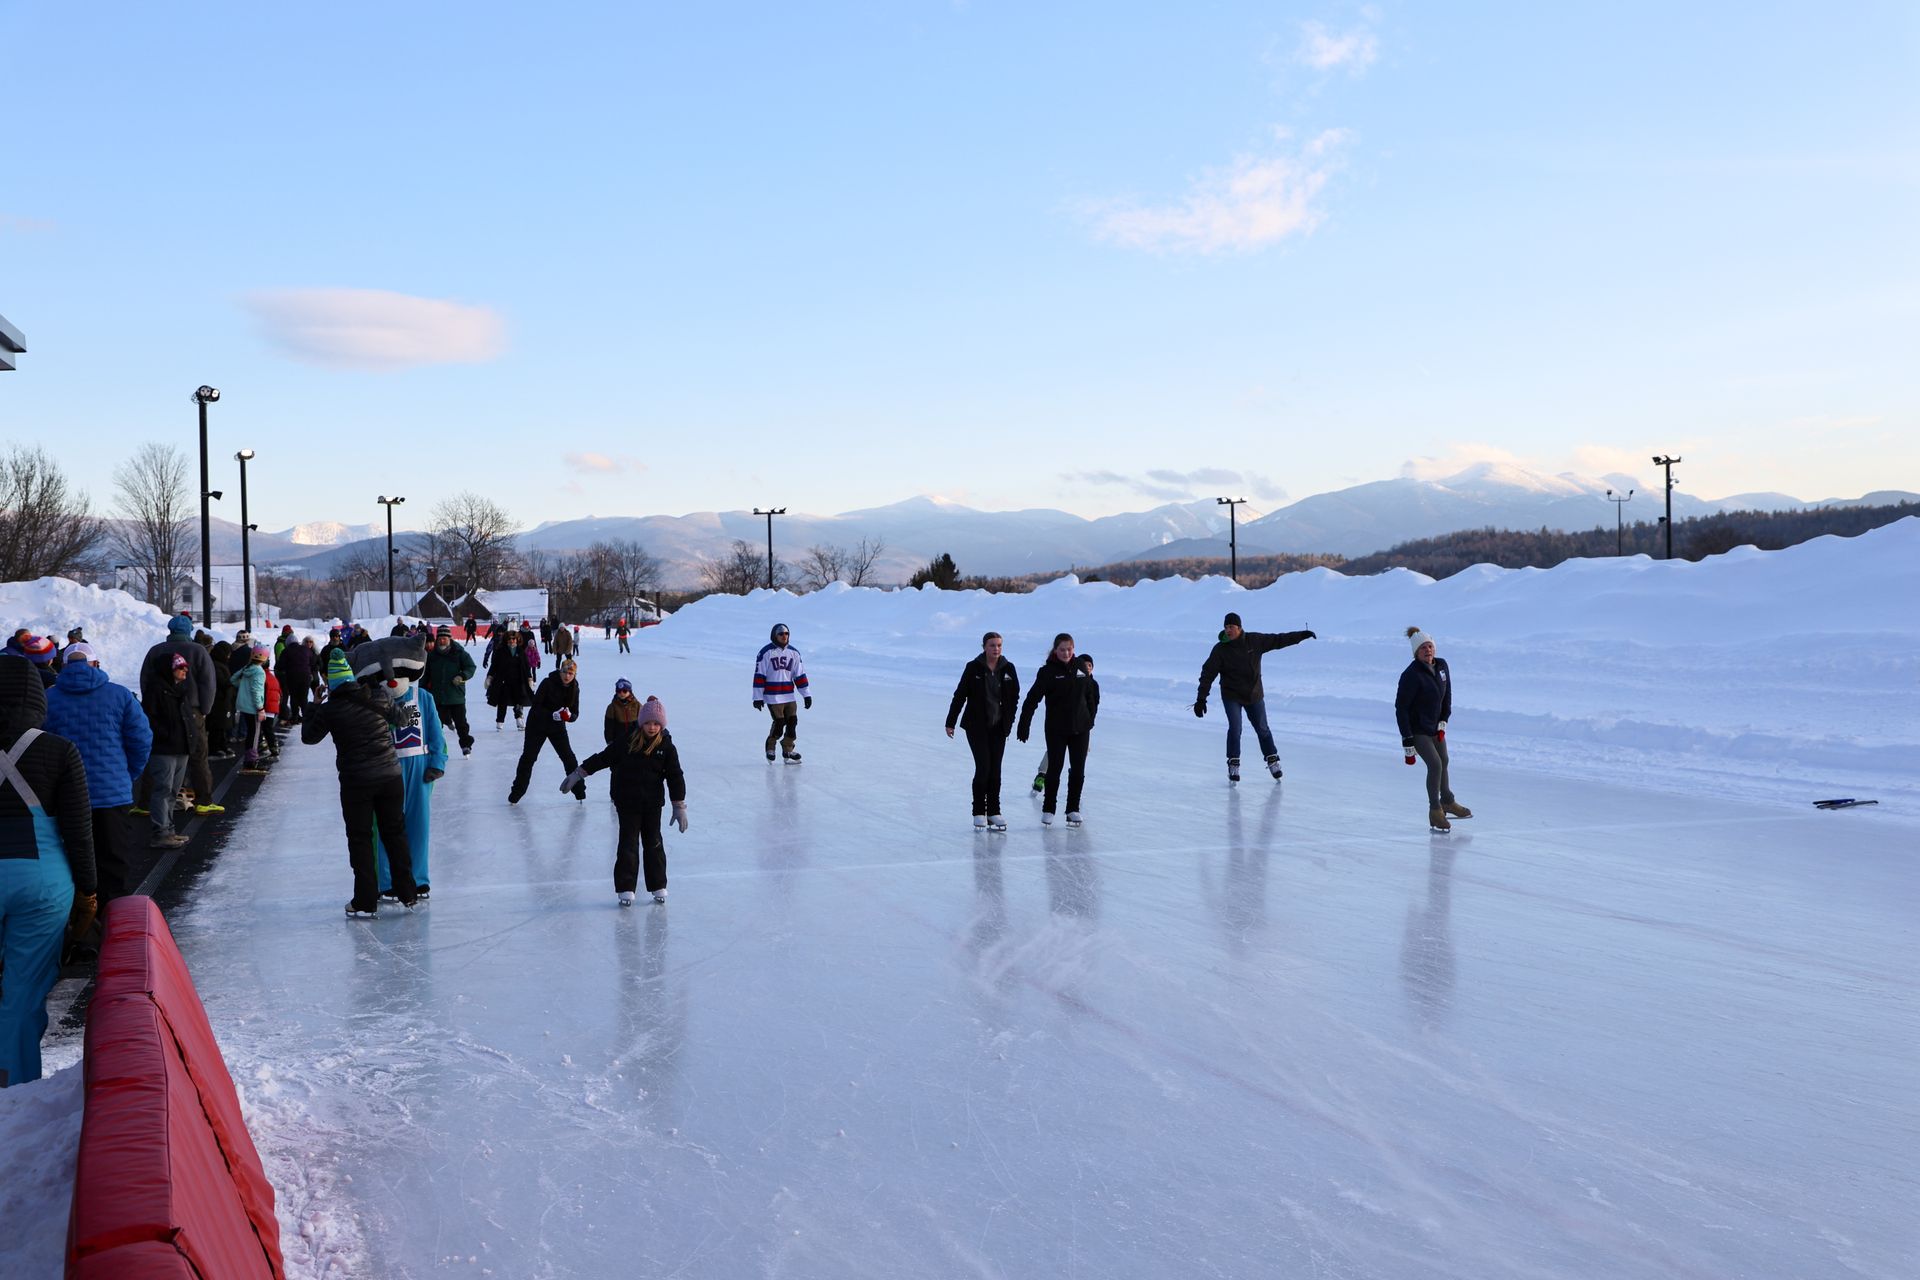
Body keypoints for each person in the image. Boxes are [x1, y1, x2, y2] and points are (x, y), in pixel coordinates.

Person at [0, 655, 96, 1087]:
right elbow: (79, 829)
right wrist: (89, 893)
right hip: (42, 881)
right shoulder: (59, 750)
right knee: (22, 994)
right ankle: (14, 1089)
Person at [302, 649, 418, 917]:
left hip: (357, 783)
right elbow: (402, 720)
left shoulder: (330, 709)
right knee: (395, 834)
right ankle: (408, 893)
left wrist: (314, 705)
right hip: (390, 777)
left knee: (361, 839)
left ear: (331, 684)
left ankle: (365, 901)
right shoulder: (377, 696)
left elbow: (309, 737)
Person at [44, 642, 151, 902]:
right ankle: (114, 922)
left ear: (64, 665)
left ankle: (78, 924)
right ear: (96, 663)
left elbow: (42, 746)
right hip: (111, 794)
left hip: (66, 796)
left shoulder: (49, 697)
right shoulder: (120, 695)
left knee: (71, 859)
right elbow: (141, 740)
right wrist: (126, 775)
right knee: (113, 860)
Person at [564, 695, 685, 906]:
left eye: (657, 723)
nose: (652, 727)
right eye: (648, 722)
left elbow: (675, 776)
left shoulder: (666, 747)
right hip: (627, 802)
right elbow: (604, 757)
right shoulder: (628, 741)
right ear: (641, 722)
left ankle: (658, 885)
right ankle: (626, 888)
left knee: (654, 843)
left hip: (652, 804)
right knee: (628, 844)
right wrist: (579, 772)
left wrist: (679, 805)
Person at [353, 638, 448, 900]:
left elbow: (436, 735)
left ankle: (418, 879)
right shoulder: (373, 701)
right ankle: (388, 880)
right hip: (385, 769)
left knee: (419, 826)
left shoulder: (422, 697)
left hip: (418, 770)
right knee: (385, 826)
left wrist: (437, 764)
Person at [1193, 612, 1316, 784]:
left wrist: (1301, 636)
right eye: (1226, 627)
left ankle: (1272, 760)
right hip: (1231, 695)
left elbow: (1278, 640)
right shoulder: (1220, 649)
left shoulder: (1254, 641)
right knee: (1235, 729)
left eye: (1231, 627)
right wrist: (1201, 699)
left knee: (1262, 728)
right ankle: (1233, 763)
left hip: (1254, 694)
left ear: (1239, 627)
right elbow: (1207, 674)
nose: (1228, 630)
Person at [139, 615, 220, 815]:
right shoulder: (198, 651)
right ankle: (203, 800)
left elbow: (145, 680)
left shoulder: (156, 651)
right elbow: (208, 683)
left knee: (157, 753)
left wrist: (150, 705)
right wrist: (205, 709)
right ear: (189, 630)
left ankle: (145, 803)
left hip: (159, 710)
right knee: (197, 754)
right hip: (191, 711)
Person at [1017, 633, 1098, 827]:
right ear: (1055, 650)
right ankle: (1049, 808)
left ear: (1074, 648)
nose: (1066, 653)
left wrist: (1089, 718)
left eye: (1069, 649)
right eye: (1062, 649)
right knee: (1055, 768)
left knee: (1078, 770)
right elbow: (1032, 699)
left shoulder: (1080, 666)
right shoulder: (1047, 672)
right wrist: (1024, 724)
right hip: (1056, 729)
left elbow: (1090, 695)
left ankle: (1072, 809)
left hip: (1081, 728)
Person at [1396, 626, 1472, 832]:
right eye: (1422, 648)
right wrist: (1407, 741)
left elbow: (1446, 695)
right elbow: (1401, 708)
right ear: (1416, 653)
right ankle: (1435, 811)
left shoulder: (1442, 666)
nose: (1427, 650)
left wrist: (1443, 721)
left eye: (1430, 646)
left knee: (1444, 760)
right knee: (1436, 765)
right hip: (1418, 730)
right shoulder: (1410, 675)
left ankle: (1447, 800)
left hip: (1435, 726)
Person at [946, 631, 1020, 831]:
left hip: (999, 728)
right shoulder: (973, 668)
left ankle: (994, 812)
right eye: (992, 645)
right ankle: (979, 811)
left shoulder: (1008, 668)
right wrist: (950, 721)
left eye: (999, 645)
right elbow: (960, 694)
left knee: (996, 769)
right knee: (984, 767)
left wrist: (1009, 722)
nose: (996, 649)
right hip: (976, 727)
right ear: (984, 647)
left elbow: (1014, 698)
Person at [511, 657, 584, 803]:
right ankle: (517, 792)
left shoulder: (574, 687)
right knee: (529, 758)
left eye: (571, 673)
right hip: (537, 725)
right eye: (565, 672)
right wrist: (552, 715)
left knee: (568, 757)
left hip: (557, 726)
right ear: (560, 671)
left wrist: (569, 716)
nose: (567, 676)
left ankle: (579, 791)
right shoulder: (548, 682)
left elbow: (575, 712)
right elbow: (536, 706)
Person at [142, 654, 196, 850]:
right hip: (164, 747)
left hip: (181, 746)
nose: (185, 671)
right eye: (180, 667)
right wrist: (166, 734)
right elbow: (149, 718)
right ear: (169, 669)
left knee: (173, 790)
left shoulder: (179, 689)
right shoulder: (156, 689)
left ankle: (169, 829)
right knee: (163, 789)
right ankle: (160, 832)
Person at [752, 623, 811, 762]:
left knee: (792, 723)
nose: (784, 636)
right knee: (779, 723)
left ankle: (788, 749)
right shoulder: (766, 653)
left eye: (786, 634)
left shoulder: (794, 653)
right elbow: (759, 675)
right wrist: (757, 697)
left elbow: (800, 675)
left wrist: (806, 694)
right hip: (773, 696)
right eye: (781, 634)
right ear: (774, 635)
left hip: (789, 695)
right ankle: (770, 746)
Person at [423, 625, 477, 757]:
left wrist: (462, 676)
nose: (442, 641)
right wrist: (422, 690)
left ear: (449, 638)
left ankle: (465, 745)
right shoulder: (431, 655)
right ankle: (437, 748)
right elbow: (425, 675)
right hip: (437, 697)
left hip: (456, 696)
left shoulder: (459, 652)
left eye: (445, 638)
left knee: (461, 724)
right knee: (436, 725)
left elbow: (471, 667)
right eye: (440, 638)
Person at [231, 643, 268, 772]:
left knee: (250, 734)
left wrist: (242, 686)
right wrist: (260, 708)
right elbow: (256, 691)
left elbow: (233, 680)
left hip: (244, 706)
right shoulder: (259, 672)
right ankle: (251, 761)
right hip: (253, 708)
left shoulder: (247, 668)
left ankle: (249, 759)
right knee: (254, 734)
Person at [275, 629, 314, 727]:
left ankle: (295, 717)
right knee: (304, 697)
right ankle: (306, 717)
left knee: (294, 697)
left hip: (292, 677)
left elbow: (280, 665)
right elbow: (312, 661)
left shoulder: (286, 650)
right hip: (306, 677)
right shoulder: (306, 649)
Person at [604, 677, 641, 745]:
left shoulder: (637, 706)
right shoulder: (612, 707)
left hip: (634, 741)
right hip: (618, 741)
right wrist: (609, 741)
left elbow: (642, 724)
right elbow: (608, 727)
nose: (621, 693)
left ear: (630, 691)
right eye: (619, 691)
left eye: (624, 691)